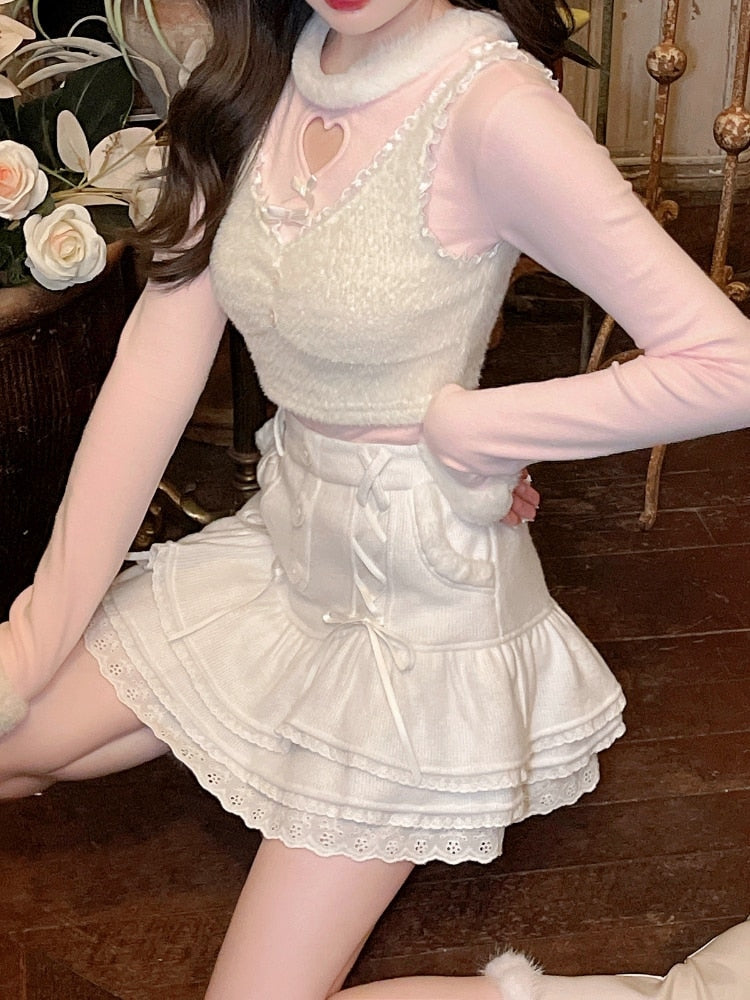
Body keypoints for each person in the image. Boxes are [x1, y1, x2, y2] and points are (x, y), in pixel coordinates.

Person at [1, 1, 749, 997]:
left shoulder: (490, 108)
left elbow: (727, 364)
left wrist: (482, 430)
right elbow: (156, 360)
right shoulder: (260, 72)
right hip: (284, 559)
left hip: (412, 630)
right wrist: (30, 640)